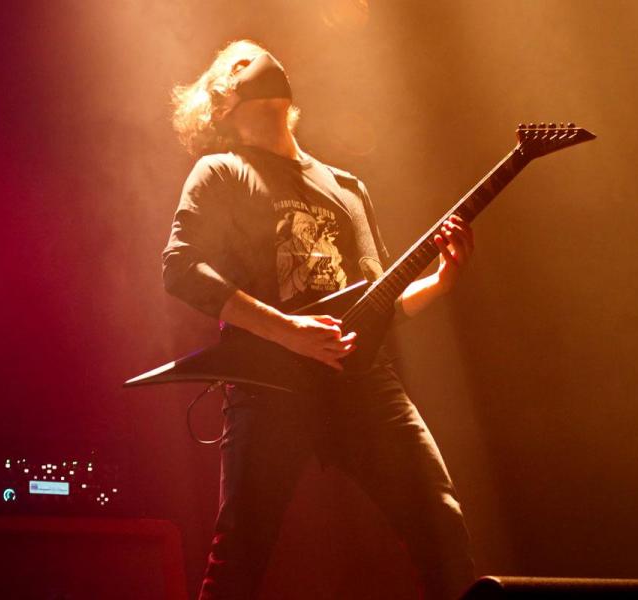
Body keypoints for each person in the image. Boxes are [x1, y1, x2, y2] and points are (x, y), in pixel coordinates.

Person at [164, 39, 476, 600]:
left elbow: (380, 305)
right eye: (238, 63)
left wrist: (441, 282)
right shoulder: (220, 172)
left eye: (258, 55)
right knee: (240, 554)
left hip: (364, 383)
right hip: (269, 388)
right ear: (221, 103)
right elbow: (181, 269)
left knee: (440, 521)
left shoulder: (348, 187)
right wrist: (289, 332)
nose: (256, 60)